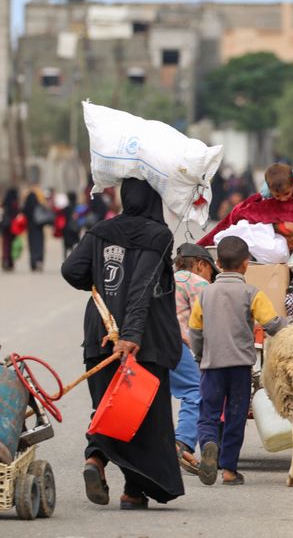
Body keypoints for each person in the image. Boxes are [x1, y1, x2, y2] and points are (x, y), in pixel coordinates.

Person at [61, 178, 184, 510]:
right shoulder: (158, 236)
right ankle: (132, 492)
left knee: (107, 407)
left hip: (100, 333)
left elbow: (72, 270)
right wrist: (130, 336)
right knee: (141, 415)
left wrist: (100, 277)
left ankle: (96, 461)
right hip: (141, 342)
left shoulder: (102, 230)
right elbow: (142, 287)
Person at [189, 236, 285, 486]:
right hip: (240, 367)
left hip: (212, 366)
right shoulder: (252, 293)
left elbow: (195, 331)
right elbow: (272, 325)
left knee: (208, 414)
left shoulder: (205, 294)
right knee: (235, 416)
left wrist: (201, 356)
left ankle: (209, 443)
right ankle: (229, 470)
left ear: (218, 262)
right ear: (246, 264)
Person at [171, 243, 219, 474]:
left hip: (151, 344)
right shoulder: (198, 283)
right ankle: (182, 444)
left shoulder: (166, 279)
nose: (211, 277)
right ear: (200, 265)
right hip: (178, 345)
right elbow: (206, 322)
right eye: (211, 271)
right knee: (195, 392)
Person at [23, 186, 51, 272]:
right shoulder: (39, 205)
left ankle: (33, 263)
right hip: (39, 228)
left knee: (32, 246)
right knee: (39, 245)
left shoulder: (27, 207)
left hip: (31, 228)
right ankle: (40, 260)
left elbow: (24, 215)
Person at [0, 188, 20, 271]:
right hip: (12, 227)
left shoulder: (3, 204)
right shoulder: (14, 204)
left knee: (5, 244)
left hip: (4, 227)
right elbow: (17, 214)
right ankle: (10, 262)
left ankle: (5, 261)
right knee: (10, 245)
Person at [62, 190, 82, 259]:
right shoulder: (79, 207)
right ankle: (75, 258)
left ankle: (66, 258)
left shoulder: (66, 208)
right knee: (76, 244)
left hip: (67, 229)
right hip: (76, 228)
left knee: (66, 246)